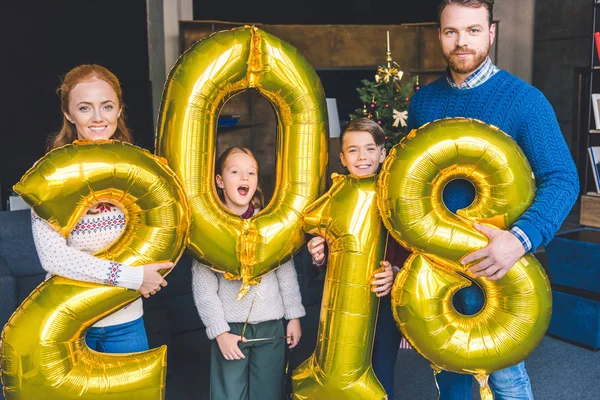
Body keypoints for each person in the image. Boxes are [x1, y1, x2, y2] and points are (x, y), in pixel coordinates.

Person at [406, 1, 579, 398]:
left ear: (491, 33)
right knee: (449, 375)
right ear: (439, 35)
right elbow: (409, 186)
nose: (461, 42)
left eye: (473, 30)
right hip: (439, 269)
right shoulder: (423, 102)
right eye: (451, 32)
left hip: (499, 269)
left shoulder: (525, 101)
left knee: (506, 380)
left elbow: (563, 179)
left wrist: (519, 240)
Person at [31, 64, 172, 353]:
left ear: (119, 110)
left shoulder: (143, 172)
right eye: (85, 108)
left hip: (127, 323)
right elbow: (53, 257)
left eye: (107, 106)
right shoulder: (49, 175)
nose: (98, 118)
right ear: (68, 114)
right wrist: (134, 278)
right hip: (68, 323)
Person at [306, 117, 410, 397]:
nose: (362, 157)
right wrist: (318, 254)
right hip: (342, 304)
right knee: (339, 366)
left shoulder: (393, 195)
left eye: (369, 149)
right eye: (353, 150)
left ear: (383, 153)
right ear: (342, 157)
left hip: (382, 302)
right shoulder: (336, 194)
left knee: (381, 369)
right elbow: (330, 247)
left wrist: (396, 272)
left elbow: (410, 245)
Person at [191, 147, 306, 400]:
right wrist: (219, 332)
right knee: (229, 393)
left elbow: (285, 272)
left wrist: (294, 316)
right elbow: (204, 289)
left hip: (272, 327)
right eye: (235, 172)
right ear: (220, 181)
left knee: (268, 392)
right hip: (230, 330)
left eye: (251, 173)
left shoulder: (269, 224)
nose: (244, 178)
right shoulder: (211, 229)